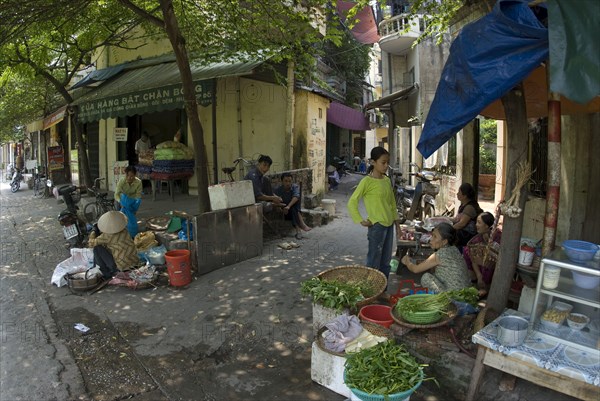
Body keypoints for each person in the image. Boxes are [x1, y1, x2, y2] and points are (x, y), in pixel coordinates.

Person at [348, 146, 397, 280]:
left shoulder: (387, 180)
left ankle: (383, 290)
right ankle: (371, 291)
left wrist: (397, 224)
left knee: (386, 262)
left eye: (387, 162)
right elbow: (352, 202)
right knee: (373, 261)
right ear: (373, 162)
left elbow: (392, 203)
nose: (386, 165)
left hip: (389, 225)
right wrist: (360, 220)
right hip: (376, 227)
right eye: (383, 162)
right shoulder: (366, 182)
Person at [401, 223, 472, 293]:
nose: (431, 239)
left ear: (444, 242)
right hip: (464, 293)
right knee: (434, 273)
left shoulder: (439, 255)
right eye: (432, 235)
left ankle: (445, 299)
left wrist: (407, 261)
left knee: (426, 277)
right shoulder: (454, 249)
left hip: (453, 296)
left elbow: (416, 269)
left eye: (435, 237)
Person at [89, 211, 139, 280]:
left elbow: (91, 243)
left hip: (121, 267)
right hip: (134, 262)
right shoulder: (125, 231)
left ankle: (106, 273)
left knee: (97, 248)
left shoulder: (107, 236)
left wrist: (93, 231)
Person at [463, 212, 502, 296]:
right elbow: (474, 259)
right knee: (466, 250)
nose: (476, 225)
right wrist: (479, 276)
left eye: (479, 222)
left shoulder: (498, 237)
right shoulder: (477, 239)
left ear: (487, 226)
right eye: (476, 222)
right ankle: (475, 280)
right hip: (481, 266)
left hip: (494, 265)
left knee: (487, 258)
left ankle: (487, 287)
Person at [274, 173, 311, 239]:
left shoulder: (294, 187)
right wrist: (279, 207)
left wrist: (288, 206)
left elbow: (296, 196)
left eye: (290, 181)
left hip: (292, 209)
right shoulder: (278, 190)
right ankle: (301, 226)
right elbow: (274, 199)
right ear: (282, 181)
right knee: (294, 208)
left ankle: (298, 230)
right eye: (286, 181)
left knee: (294, 205)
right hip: (284, 211)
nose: (288, 183)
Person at [453, 183, 483, 250]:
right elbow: (456, 219)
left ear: (465, 196)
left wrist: (449, 228)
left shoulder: (469, 207)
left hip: (468, 236)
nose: (457, 194)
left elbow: (461, 224)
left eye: (459, 192)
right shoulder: (463, 205)